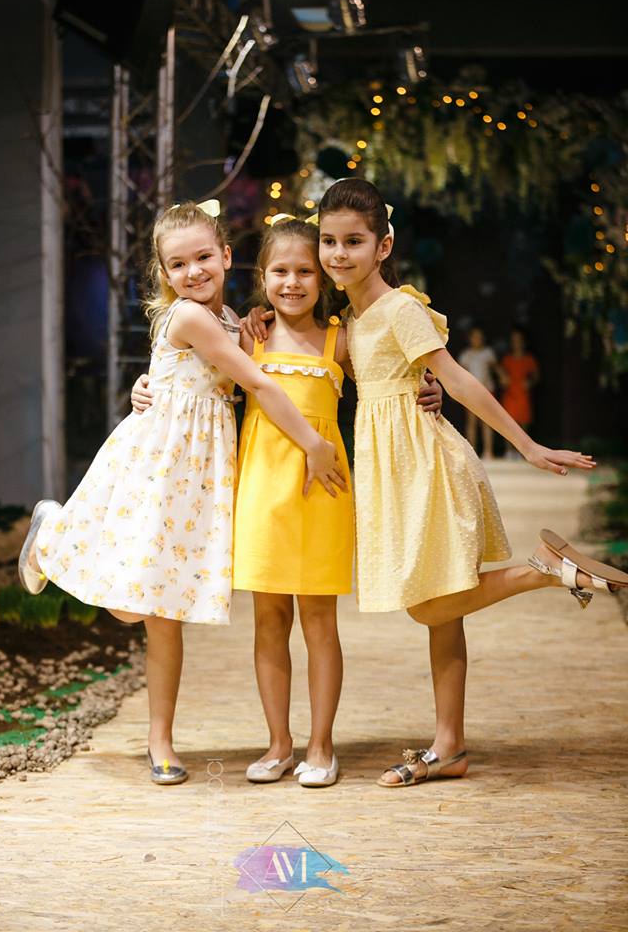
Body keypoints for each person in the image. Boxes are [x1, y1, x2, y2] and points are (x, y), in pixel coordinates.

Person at [246, 178, 626, 790]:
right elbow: (329, 369)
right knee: (443, 614)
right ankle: (449, 746)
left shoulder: (400, 308)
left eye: (354, 241)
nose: (339, 254)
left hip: (421, 464)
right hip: (392, 467)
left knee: (428, 603)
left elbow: (457, 379)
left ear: (384, 245)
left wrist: (528, 445)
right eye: (330, 242)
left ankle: (545, 570)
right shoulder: (351, 320)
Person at [17, 200, 346, 786]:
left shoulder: (233, 321)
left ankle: (160, 739)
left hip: (201, 473)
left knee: (161, 609)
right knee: (136, 606)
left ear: (226, 256)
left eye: (203, 258)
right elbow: (258, 381)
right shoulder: (192, 318)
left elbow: (253, 356)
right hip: (163, 461)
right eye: (178, 264)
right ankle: (54, 537)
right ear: (164, 273)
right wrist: (313, 444)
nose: (193, 271)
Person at [130, 214, 444, 787]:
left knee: (319, 621)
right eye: (280, 271)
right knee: (269, 620)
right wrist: (143, 386)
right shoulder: (245, 334)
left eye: (305, 272)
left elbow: (394, 375)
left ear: (323, 278)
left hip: (322, 486)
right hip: (259, 487)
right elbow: (187, 369)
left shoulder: (342, 340)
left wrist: (430, 387)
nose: (292, 282)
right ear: (261, 276)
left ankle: (321, 746)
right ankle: (278, 744)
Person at [498, 328, 540, 456]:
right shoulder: (507, 359)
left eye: (519, 340)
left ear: (524, 342)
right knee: (508, 422)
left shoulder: (529, 359)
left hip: (523, 393)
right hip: (510, 394)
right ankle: (509, 450)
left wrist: (530, 383)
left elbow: (536, 376)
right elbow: (501, 376)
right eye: (514, 340)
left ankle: (522, 451)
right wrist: (503, 379)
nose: (517, 343)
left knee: (523, 421)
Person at [458, 327, 497, 459]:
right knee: (472, 422)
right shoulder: (466, 354)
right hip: (471, 392)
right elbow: (460, 374)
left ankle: (488, 451)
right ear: (470, 339)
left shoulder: (488, 352)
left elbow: (495, 368)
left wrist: (502, 376)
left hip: (487, 390)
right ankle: (472, 451)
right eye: (474, 337)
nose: (477, 339)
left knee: (488, 421)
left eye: (479, 337)